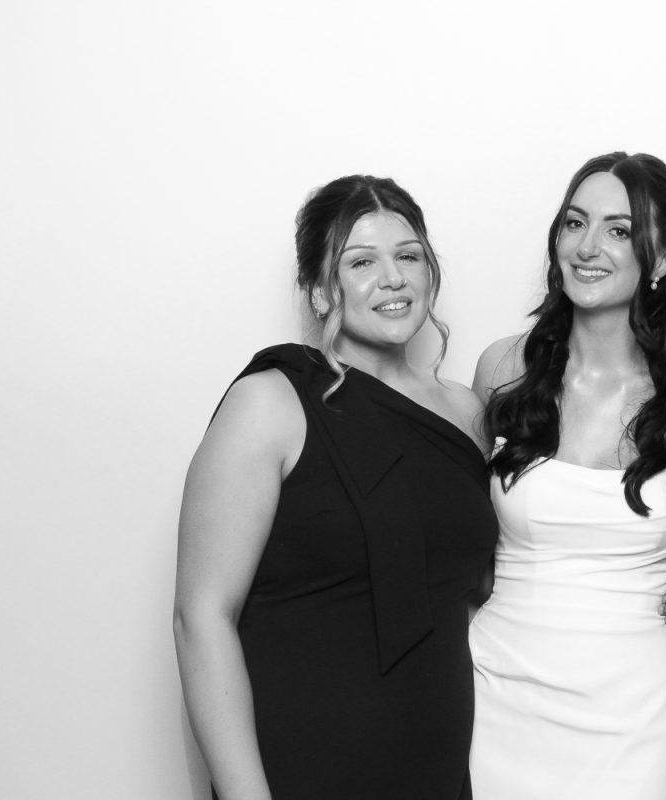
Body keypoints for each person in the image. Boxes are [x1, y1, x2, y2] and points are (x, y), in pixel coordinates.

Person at [173, 176, 497, 800]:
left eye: (408, 256)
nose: (394, 278)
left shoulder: (467, 414)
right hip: (300, 765)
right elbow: (201, 616)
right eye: (362, 262)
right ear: (321, 289)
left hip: (436, 763)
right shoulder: (270, 403)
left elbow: (485, 582)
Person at [468, 152, 666, 800]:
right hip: (498, 693)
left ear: (662, 257)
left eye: (616, 229)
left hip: (641, 712)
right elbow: (448, 519)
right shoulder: (503, 368)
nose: (587, 246)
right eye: (574, 223)